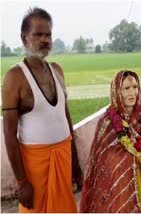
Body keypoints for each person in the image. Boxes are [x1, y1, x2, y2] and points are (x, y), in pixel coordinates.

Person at [2, 7, 82, 212]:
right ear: (24, 38)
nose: (45, 40)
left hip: (63, 159)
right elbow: (10, 136)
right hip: (35, 168)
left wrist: (75, 163)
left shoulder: (57, 70)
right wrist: (22, 183)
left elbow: (65, 117)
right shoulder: (15, 77)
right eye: (38, 34)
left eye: (48, 34)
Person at [80, 70, 141, 213]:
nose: (132, 93)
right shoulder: (107, 123)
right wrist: (132, 160)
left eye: (135, 87)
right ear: (117, 92)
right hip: (116, 196)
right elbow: (106, 160)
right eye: (126, 88)